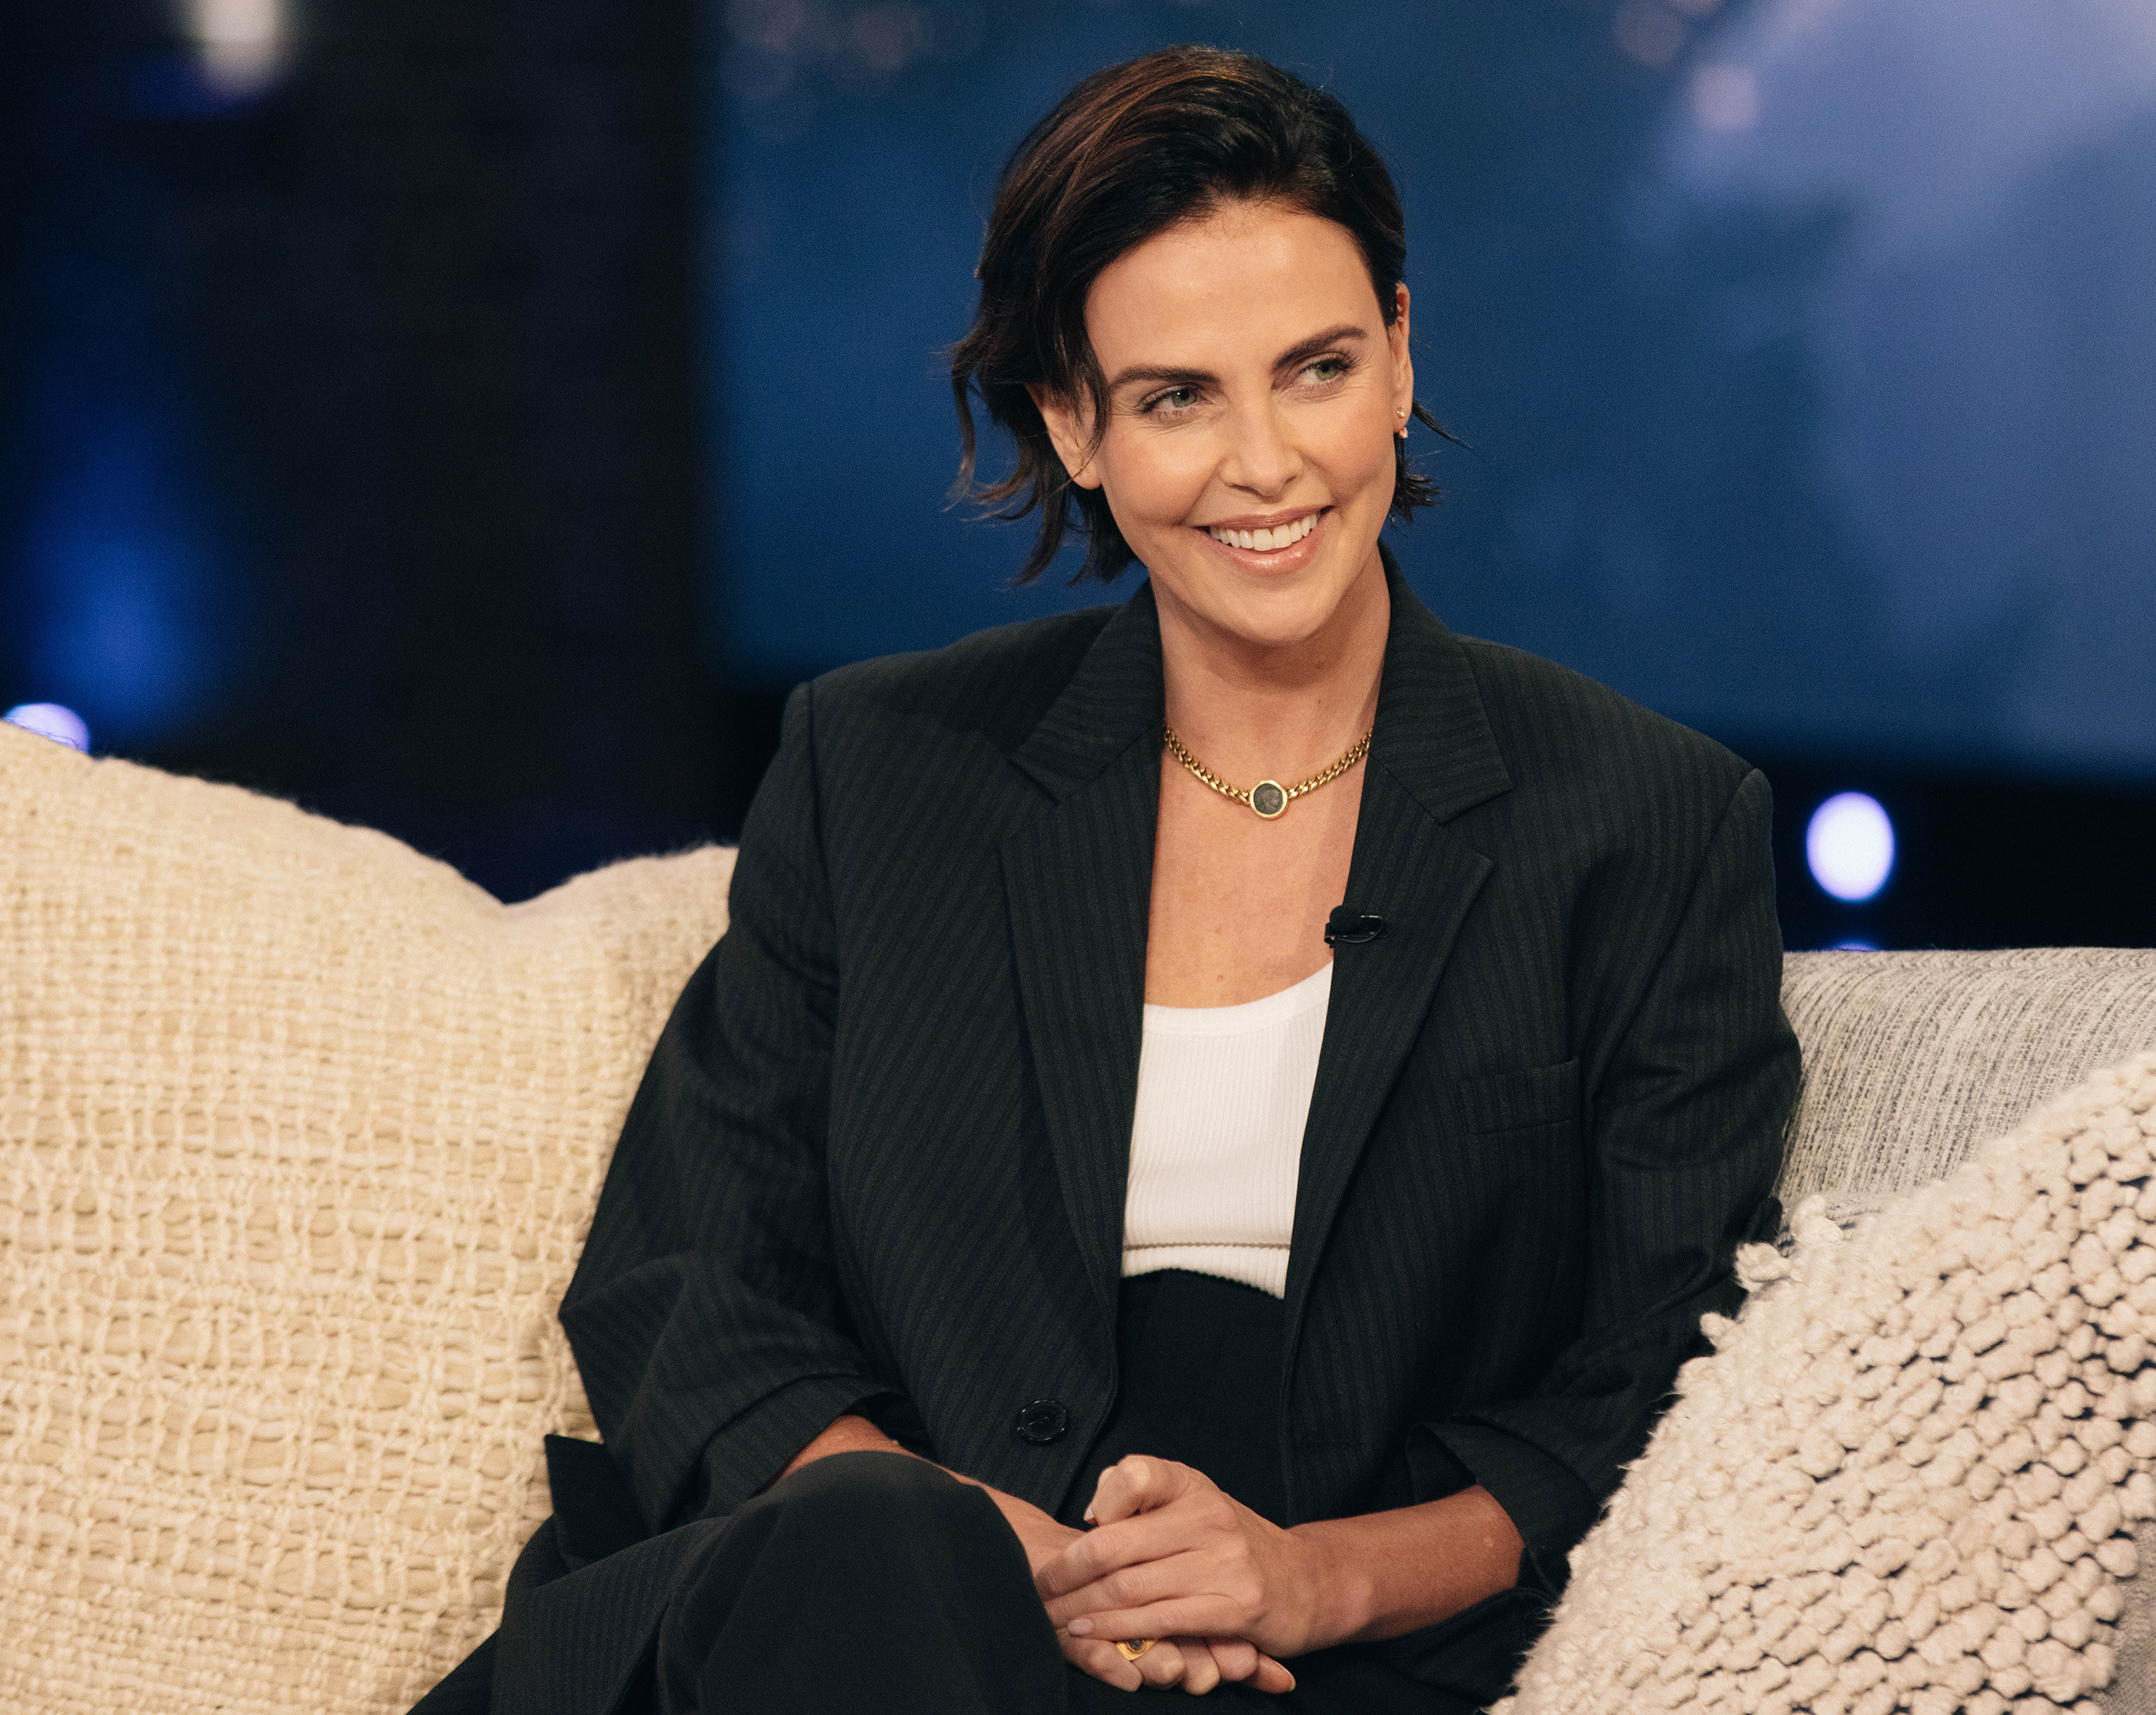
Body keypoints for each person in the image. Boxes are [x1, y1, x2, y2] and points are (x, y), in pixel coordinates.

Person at [414, 43, 1800, 1715]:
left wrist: (1316, 1575)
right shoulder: (885, 769)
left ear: (1400, 356)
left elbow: (1656, 1373)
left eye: (1316, 368)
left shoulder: (1641, 822)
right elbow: (687, 1278)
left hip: (1313, 1667)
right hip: (831, 1610)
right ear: (1071, 424)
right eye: (1174, 398)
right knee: (869, 1551)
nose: (1268, 462)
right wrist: (1002, 1559)